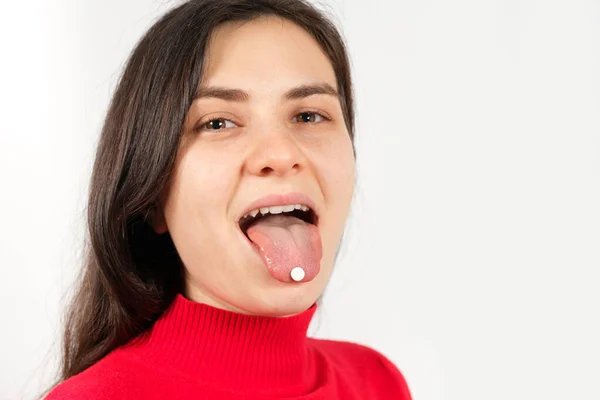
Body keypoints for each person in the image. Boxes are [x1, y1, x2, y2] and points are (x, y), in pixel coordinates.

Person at [43, 0, 412, 398]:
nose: (281, 154)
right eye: (217, 122)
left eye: (308, 116)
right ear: (151, 195)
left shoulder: (377, 382)